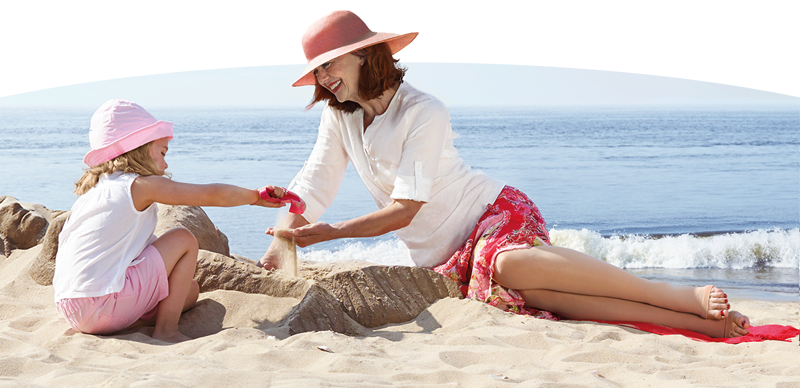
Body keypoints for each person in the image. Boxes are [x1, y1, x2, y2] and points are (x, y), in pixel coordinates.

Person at [258, 10, 750, 339]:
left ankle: (680, 296)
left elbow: (406, 208)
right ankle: (701, 325)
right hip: (446, 257)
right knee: (535, 297)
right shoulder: (339, 117)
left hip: (492, 215)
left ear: (365, 53)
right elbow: (315, 180)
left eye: (328, 64)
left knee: (507, 267)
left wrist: (333, 233)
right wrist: (282, 241)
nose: (323, 78)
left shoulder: (423, 111)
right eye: (316, 71)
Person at [54, 99, 287, 342]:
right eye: (163, 153)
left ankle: (129, 321)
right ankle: (166, 330)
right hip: (102, 303)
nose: (166, 163)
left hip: (72, 308)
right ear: (140, 147)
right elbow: (211, 194)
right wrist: (255, 197)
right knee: (183, 238)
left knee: (189, 292)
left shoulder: (95, 191)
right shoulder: (139, 185)